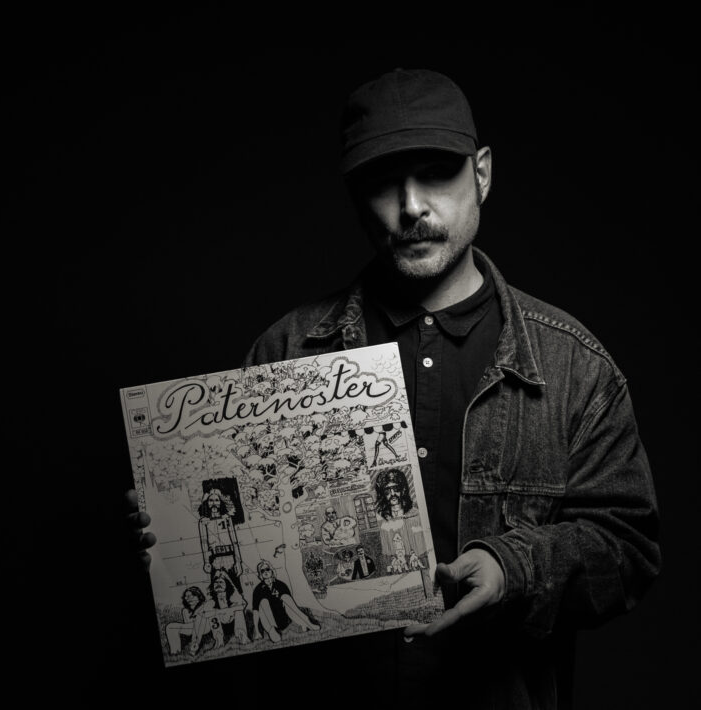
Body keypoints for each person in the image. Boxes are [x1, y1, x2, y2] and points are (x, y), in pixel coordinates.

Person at [128, 68, 660, 707]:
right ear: (356, 197)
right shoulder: (286, 351)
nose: (411, 207)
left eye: (436, 173)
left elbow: (628, 547)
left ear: (482, 174)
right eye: (384, 182)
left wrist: (512, 567)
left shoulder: (574, 366)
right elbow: (236, 547)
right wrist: (172, 528)